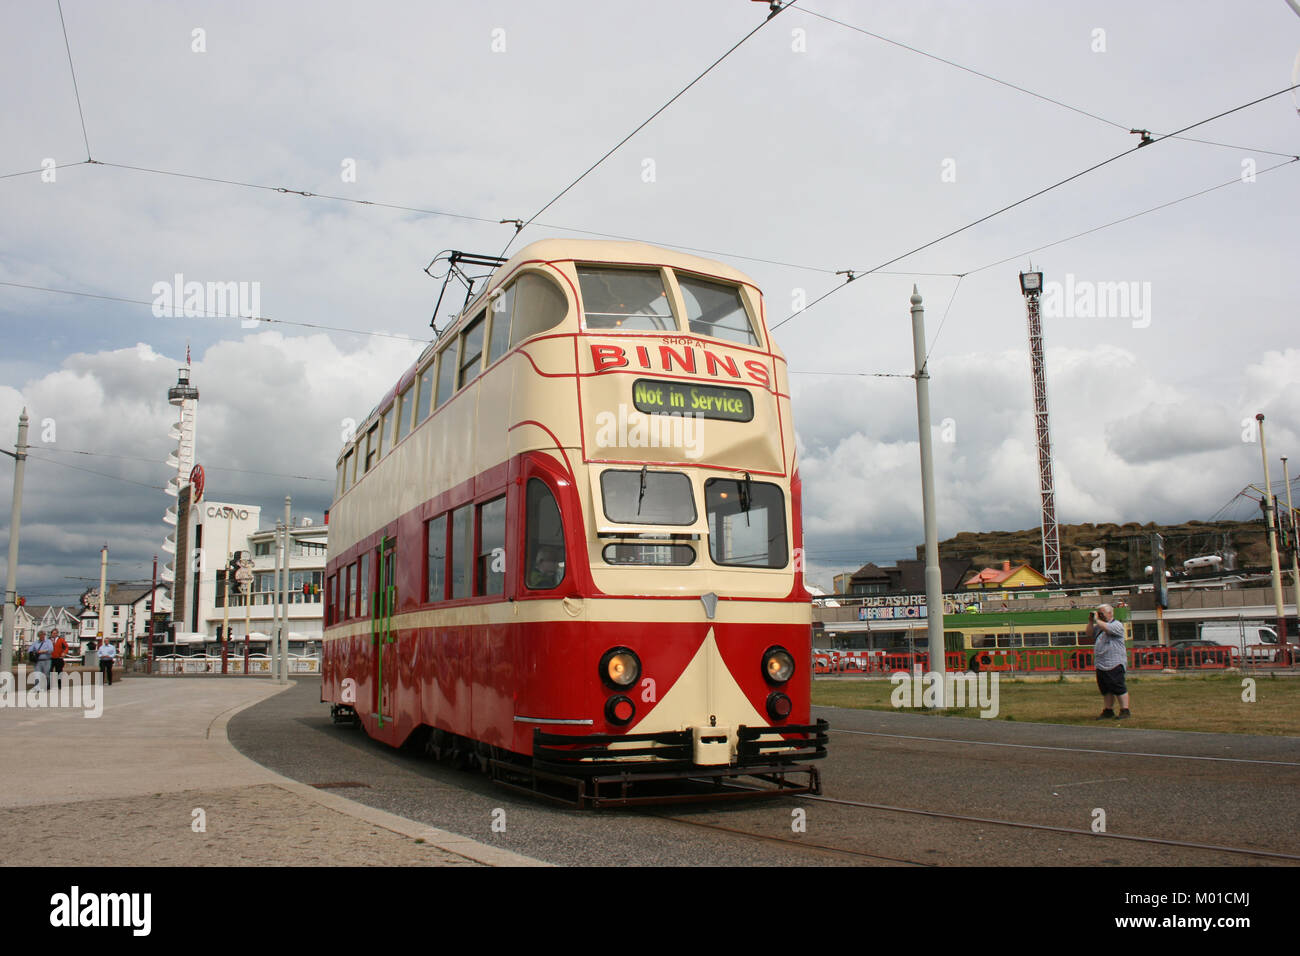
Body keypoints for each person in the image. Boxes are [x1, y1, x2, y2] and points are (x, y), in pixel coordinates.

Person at [1087, 603, 1130, 719]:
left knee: (1118, 687)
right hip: (1101, 663)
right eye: (1098, 613)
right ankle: (1108, 710)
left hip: (1114, 662)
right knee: (1106, 689)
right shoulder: (1099, 626)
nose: (1099, 615)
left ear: (1110, 613)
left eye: (1102, 613)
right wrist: (1091, 621)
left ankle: (1125, 710)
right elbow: (1089, 633)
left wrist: (1097, 620)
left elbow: (1108, 628)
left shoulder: (1117, 625)